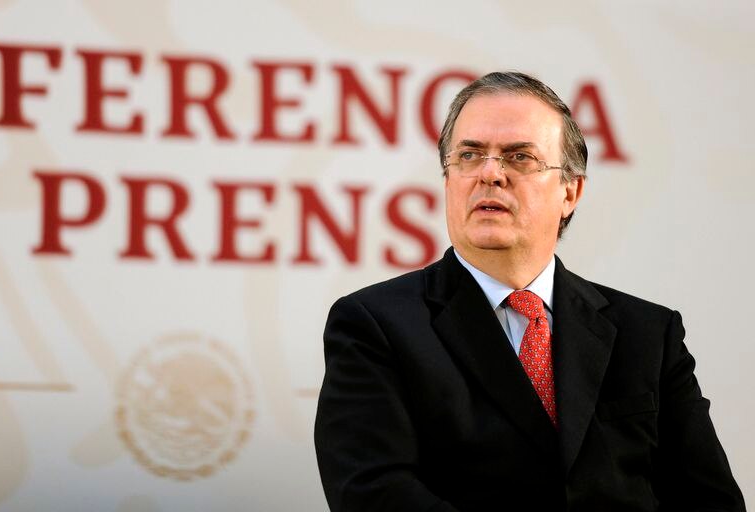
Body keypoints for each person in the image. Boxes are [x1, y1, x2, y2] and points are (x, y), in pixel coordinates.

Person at [314, 71, 745, 511]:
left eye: (519, 157)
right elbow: (372, 494)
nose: (490, 174)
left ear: (570, 192)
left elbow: (709, 500)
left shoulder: (649, 334)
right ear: (447, 179)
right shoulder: (374, 326)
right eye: (469, 155)